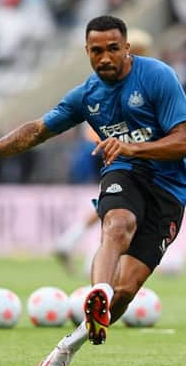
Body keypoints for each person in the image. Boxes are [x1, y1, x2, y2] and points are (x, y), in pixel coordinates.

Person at [0, 15, 186, 366]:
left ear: (126, 48)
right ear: (87, 52)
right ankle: (96, 291)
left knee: (127, 290)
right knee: (118, 223)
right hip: (124, 173)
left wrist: (134, 148)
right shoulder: (87, 95)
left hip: (168, 190)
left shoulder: (157, 76)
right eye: (96, 51)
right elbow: (36, 131)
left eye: (113, 49)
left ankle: (68, 346)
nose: (105, 58)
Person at [53, 27, 154, 274]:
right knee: (124, 205)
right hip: (114, 148)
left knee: (111, 204)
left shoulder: (115, 80)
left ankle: (72, 240)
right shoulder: (132, 79)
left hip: (105, 146)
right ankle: (92, 256)